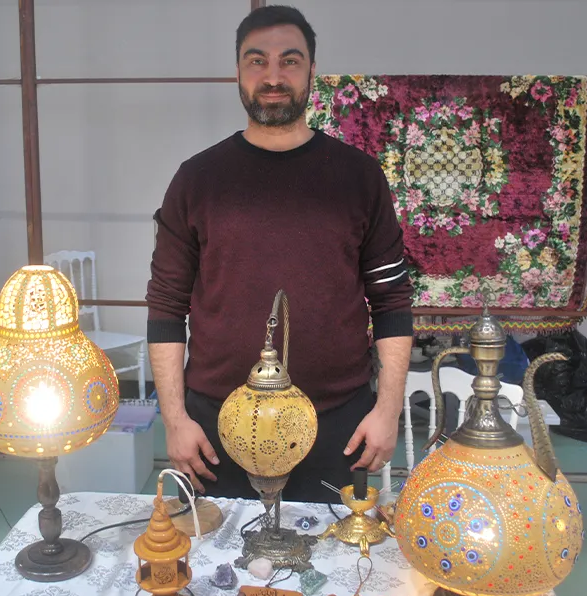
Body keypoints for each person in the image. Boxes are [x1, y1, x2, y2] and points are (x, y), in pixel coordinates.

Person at [145, 5, 413, 503]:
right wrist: (175, 420)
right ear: (238, 72)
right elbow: (165, 306)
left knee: (334, 551)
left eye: (290, 61)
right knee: (214, 554)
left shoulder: (359, 177)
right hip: (217, 426)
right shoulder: (197, 179)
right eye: (257, 61)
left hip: (338, 424)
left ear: (312, 70)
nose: (273, 76)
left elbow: (392, 300)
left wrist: (387, 409)